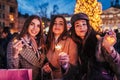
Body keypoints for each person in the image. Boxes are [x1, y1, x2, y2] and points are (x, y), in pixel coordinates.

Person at [70, 13, 120, 80]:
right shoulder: (73, 44)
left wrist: (110, 49)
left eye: (84, 24)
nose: (81, 27)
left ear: (88, 26)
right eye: (77, 25)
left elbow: (117, 65)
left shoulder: (99, 41)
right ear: (74, 29)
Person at [7, 15, 46, 80]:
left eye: (38, 26)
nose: (35, 28)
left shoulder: (39, 42)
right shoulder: (14, 43)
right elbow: (12, 70)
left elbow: (39, 64)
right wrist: (15, 55)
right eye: (32, 24)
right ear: (27, 25)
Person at [43, 15, 78, 80]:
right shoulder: (47, 40)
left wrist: (65, 66)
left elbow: (74, 67)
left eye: (61, 24)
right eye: (55, 23)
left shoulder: (70, 42)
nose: (57, 26)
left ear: (64, 26)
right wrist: (45, 69)